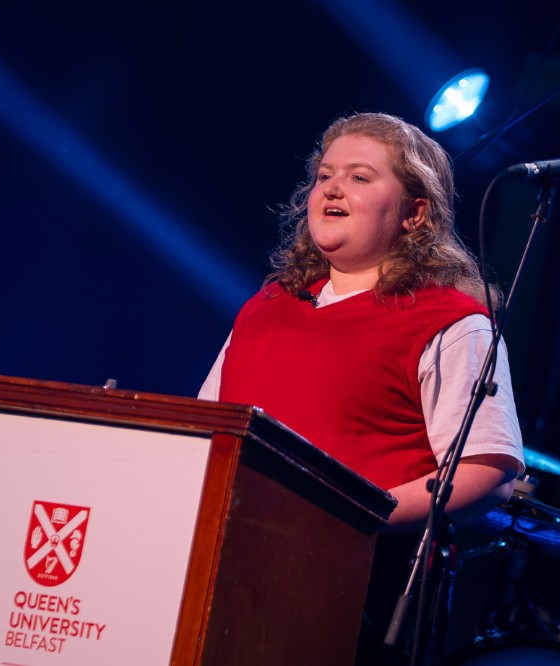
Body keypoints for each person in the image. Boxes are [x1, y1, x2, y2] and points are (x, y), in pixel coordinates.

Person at [197, 112, 524, 663]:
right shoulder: (265, 307)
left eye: (359, 177)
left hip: (356, 594)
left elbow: (485, 473)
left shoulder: (451, 323)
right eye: (324, 175)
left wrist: (343, 517)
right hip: (222, 574)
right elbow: (205, 431)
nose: (331, 188)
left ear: (415, 213)